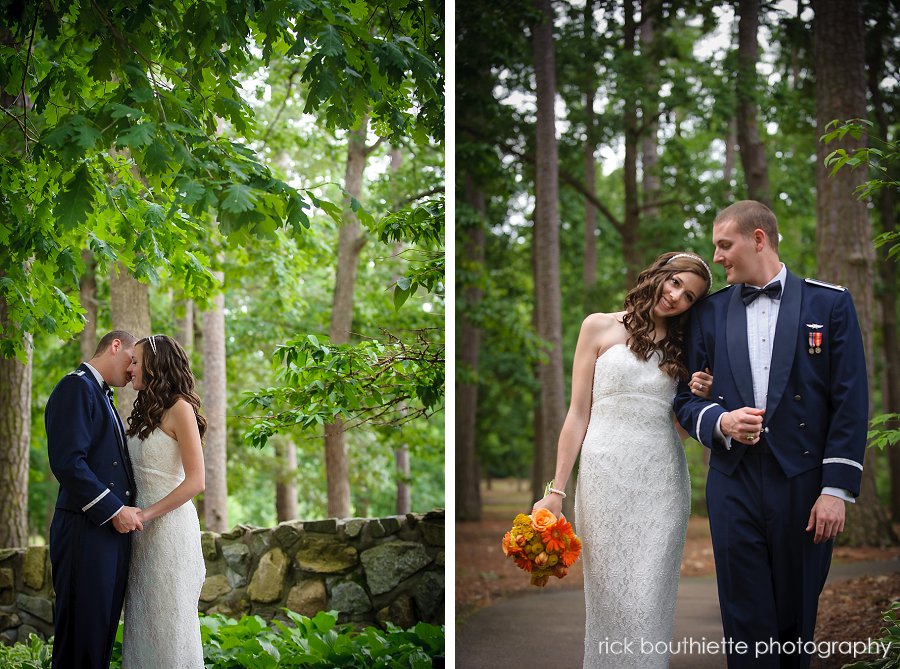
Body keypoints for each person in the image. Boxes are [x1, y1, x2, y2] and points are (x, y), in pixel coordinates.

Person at [673, 200, 868, 669]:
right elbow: (685, 398)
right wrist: (720, 422)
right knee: (744, 619)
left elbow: (850, 401)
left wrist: (835, 490)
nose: (717, 256)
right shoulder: (709, 313)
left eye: (725, 244)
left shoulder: (830, 303)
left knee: (795, 620)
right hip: (732, 483)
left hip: (802, 485)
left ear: (757, 239)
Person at [532, 251, 713, 668]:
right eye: (675, 283)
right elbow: (578, 415)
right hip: (603, 476)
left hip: (662, 481)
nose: (676, 297)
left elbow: (678, 429)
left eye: (689, 296)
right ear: (659, 275)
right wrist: (556, 490)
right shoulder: (597, 326)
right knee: (612, 597)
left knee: (649, 598)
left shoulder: (683, 349)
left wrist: (699, 397)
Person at [46, 330, 142, 669]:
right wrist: (114, 509)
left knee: (99, 636)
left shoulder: (103, 395)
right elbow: (68, 462)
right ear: (116, 346)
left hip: (107, 534)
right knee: (80, 641)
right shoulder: (75, 386)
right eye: (132, 361)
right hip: (83, 531)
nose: (133, 374)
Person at [121, 334, 207, 669]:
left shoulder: (180, 409)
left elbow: (196, 481)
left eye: (136, 361)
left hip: (169, 529)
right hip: (141, 533)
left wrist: (146, 514)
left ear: (155, 365)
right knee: (143, 624)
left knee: (169, 626)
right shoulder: (143, 411)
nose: (130, 368)